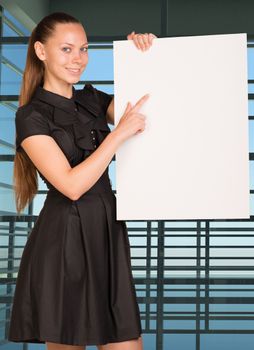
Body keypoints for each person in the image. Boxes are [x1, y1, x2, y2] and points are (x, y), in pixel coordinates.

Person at [8, 12, 156, 350]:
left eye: (84, 49)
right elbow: (71, 185)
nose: (79, 59)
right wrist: (116, 137)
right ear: (41, 52)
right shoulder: (30, 117)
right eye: (67, 49)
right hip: (65, 244)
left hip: (108, 235)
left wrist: (143, 57)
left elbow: (150, 110)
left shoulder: (92, 99)